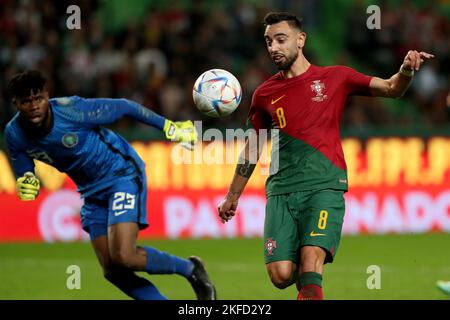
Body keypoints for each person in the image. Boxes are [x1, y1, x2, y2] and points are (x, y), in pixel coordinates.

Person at [217, 12, 434, 300]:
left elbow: (392, 88)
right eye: (269, 41)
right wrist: (233, 196)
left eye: (281, 40)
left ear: (301, 39)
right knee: (281, 275)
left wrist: (406, 70)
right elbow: (253, 147)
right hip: (281, 191)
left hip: (324, 185)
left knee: (310, 263)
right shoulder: (264, 95)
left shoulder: (336, 77)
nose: (273, 48)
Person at [5, 70, 216, 300]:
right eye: (26, 102)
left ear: (47, 95)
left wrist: (169, 127)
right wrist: (26, 179)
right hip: (90, 192)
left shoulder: (72, 111)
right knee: (112, 271)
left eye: (38, 99)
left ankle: (190, 269)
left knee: (124, 256)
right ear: (16, 104)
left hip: (121, 174)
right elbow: (23, 164)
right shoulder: (14, 133)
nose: (34, 106)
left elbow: (125, 106)